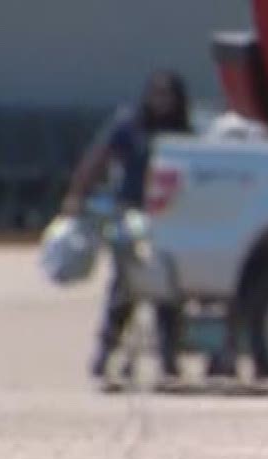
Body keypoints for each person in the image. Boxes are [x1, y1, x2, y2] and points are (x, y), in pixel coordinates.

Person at [62, 70, 196, 388]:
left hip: (169, 219)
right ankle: (106, 351)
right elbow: (98, 159)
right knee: (124, 289)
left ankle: (169, 357)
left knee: (168, 290)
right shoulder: (130, 127)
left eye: (167, 95)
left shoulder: (185, 134)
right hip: (130, 213)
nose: (161, 102)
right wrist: (78, 194)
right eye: (156, 94)